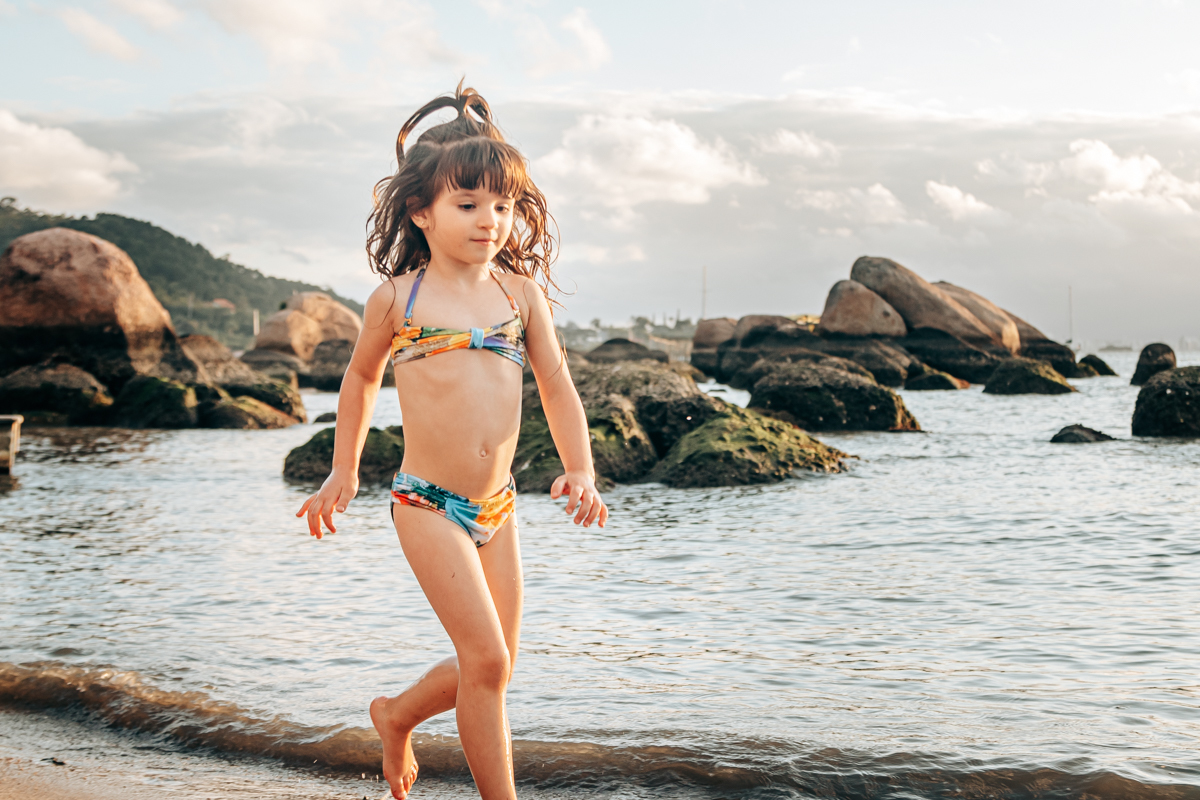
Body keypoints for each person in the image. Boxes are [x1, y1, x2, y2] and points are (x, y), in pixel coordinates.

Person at [296, 84, 608, 800]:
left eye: (502, 206)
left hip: (499, 509)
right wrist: (343, 470)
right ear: (421, 211)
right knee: (486, 658)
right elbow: (359, 379)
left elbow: (557, 386)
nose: (489, 221)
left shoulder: (520, 295)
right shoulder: (399, 298)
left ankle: (396, 716)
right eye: (468, 206)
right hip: (426, 503)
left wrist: (580, 470)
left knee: (495, 665)